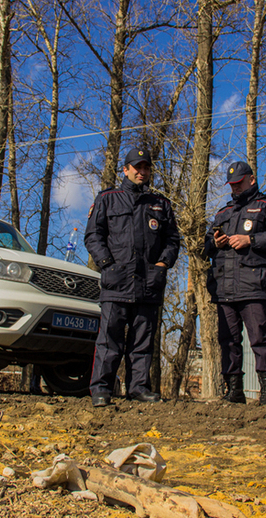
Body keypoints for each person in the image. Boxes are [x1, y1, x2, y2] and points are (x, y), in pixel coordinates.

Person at [84, 147, 181, 407]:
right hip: (117, 281)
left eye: (146, 167)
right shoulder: (108, 198)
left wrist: (162, 265)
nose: (142, 171)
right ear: (125, 170)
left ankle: (138, 387)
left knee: (143, 341)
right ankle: (102, 389)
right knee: (109, 340)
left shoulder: (161, 204)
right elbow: (93, 235)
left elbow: (172, 240)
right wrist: (107, 264)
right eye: (137, 167)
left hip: (149, 284)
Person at [204, 161, 266, 405]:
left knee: (260, 338)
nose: (235, 188)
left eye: (239, 183)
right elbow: (206, 245)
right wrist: (216, 243)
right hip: (224, 287)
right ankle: (234, 391)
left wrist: (250, 240)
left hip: (253, 285)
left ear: (251, 179)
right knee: (228, 341)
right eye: (232, 185)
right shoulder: (223, 212)